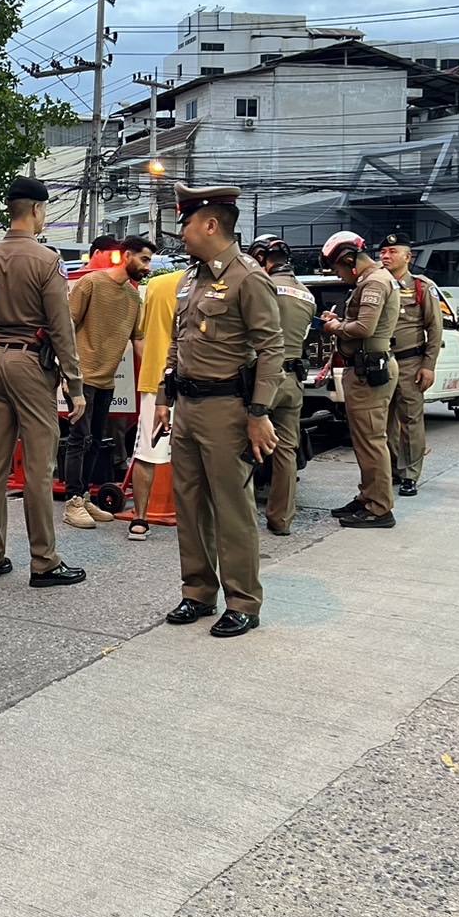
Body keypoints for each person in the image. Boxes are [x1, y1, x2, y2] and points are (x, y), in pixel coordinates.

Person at [155, 183, 282, 638]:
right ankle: (198, 593)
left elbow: (271, 348)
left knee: (232, 509)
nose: (181, 232)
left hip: (228, 408)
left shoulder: (248, 277)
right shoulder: (191, 278)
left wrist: (259, 411)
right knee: (189, 507)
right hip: (187, 406)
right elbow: (178, 341)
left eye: (186, 223)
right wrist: (164, 399)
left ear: (210, 224)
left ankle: (243, 601)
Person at [0, 176, 87, 588]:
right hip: (30, 364)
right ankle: (44, 562)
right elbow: (61, 328)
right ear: (37, 211)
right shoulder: (46, 260)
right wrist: (75, 386)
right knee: (39, 467)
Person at [63, 235, 153, 529]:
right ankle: (72, 502)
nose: (148, 267)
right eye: (144, 259)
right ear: (126, 256)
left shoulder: (132, 297)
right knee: (78, 439)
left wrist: (158, 371)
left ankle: (85, 496)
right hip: (81, 378)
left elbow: (137, 338)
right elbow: (66, 326)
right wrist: (67, 375)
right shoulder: (91, 284)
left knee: (94, 441)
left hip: (106, 381)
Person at [321, 231, 401, 529]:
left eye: (339, 269)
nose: (339, 275)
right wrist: (339, 321)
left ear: (349, 260)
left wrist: (335, 326)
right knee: (365, 440)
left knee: (371, 441)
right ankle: (368, 497)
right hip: (365, 369)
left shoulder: (375, 282)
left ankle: (379, 508)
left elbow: (365, 327)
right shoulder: (371, 281)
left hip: (371, 370)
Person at [248, 234, 315, 536]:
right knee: (286, 450)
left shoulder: (261, 287)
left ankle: (243, 518)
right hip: (293, 381)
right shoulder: (307, 295)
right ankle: (281, 519)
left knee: (244, 446)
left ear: (262, 258)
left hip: (262, 379)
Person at [378, 232, 444, 498]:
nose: (386, 256)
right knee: (383, 422)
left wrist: (428, 365)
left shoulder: (421, 286)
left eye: (392, 252)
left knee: (411, 420)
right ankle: (392, 468)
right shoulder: (374, 284)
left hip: (409, 361)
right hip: (380, 362)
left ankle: (409, 475)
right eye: (383, 252)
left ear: (408, 257)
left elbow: (435, 328)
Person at [125, 266, 185, 541]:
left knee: (148, 451)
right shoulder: (220, 285)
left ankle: (139, 518)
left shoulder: (157, 286)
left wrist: (149, 362)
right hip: (203, 381)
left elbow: (139, 333)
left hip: (157, 377)